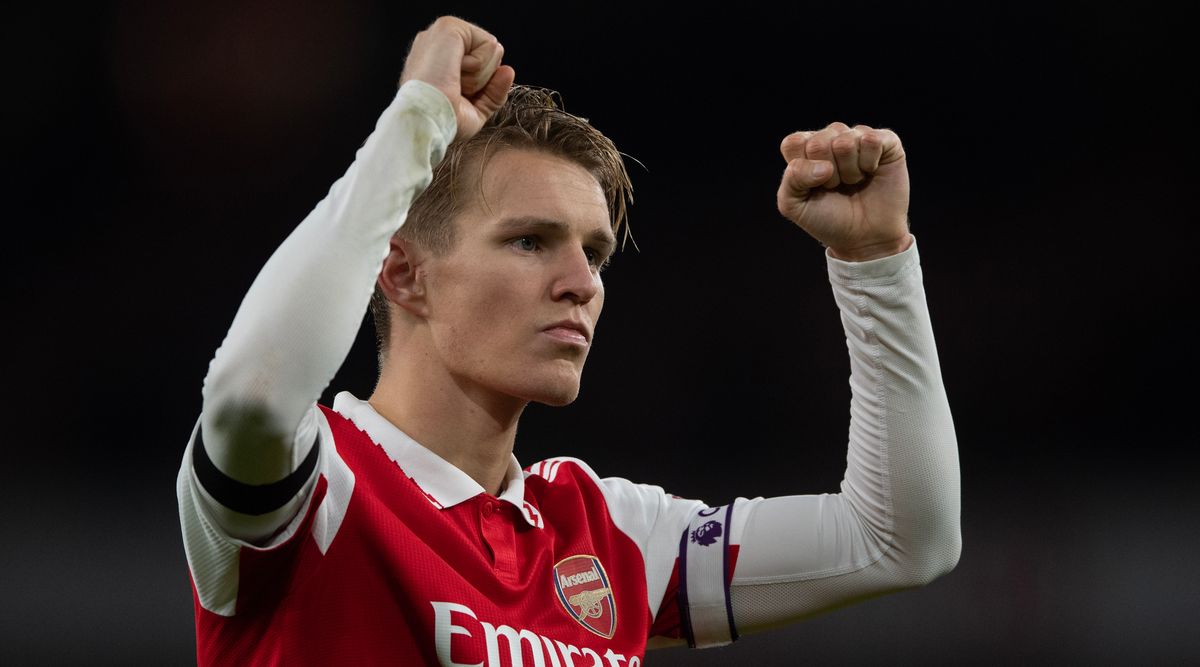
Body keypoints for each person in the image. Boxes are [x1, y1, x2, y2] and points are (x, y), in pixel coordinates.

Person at [176, 15, 961, 666]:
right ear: (403, 274)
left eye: (593, 253)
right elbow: (252, 390)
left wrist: (874, 265)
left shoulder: (606, 531)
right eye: (529, 241)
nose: (581, 283)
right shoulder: (314, 486)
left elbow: (898, 540)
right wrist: (417, 117)